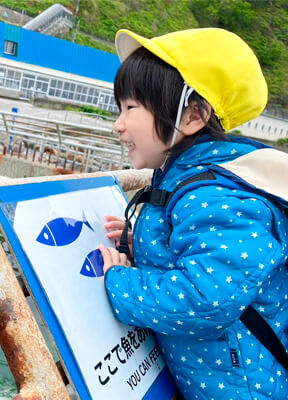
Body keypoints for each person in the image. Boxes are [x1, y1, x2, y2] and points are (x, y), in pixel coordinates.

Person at [98, 28, 288, 399]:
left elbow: (204, 300)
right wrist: (143, 243)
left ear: (193, 116)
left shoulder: (217, 196)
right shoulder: (193, 178)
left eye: (131, 108)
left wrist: (118, 282)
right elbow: (203, 253)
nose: (119, 124)